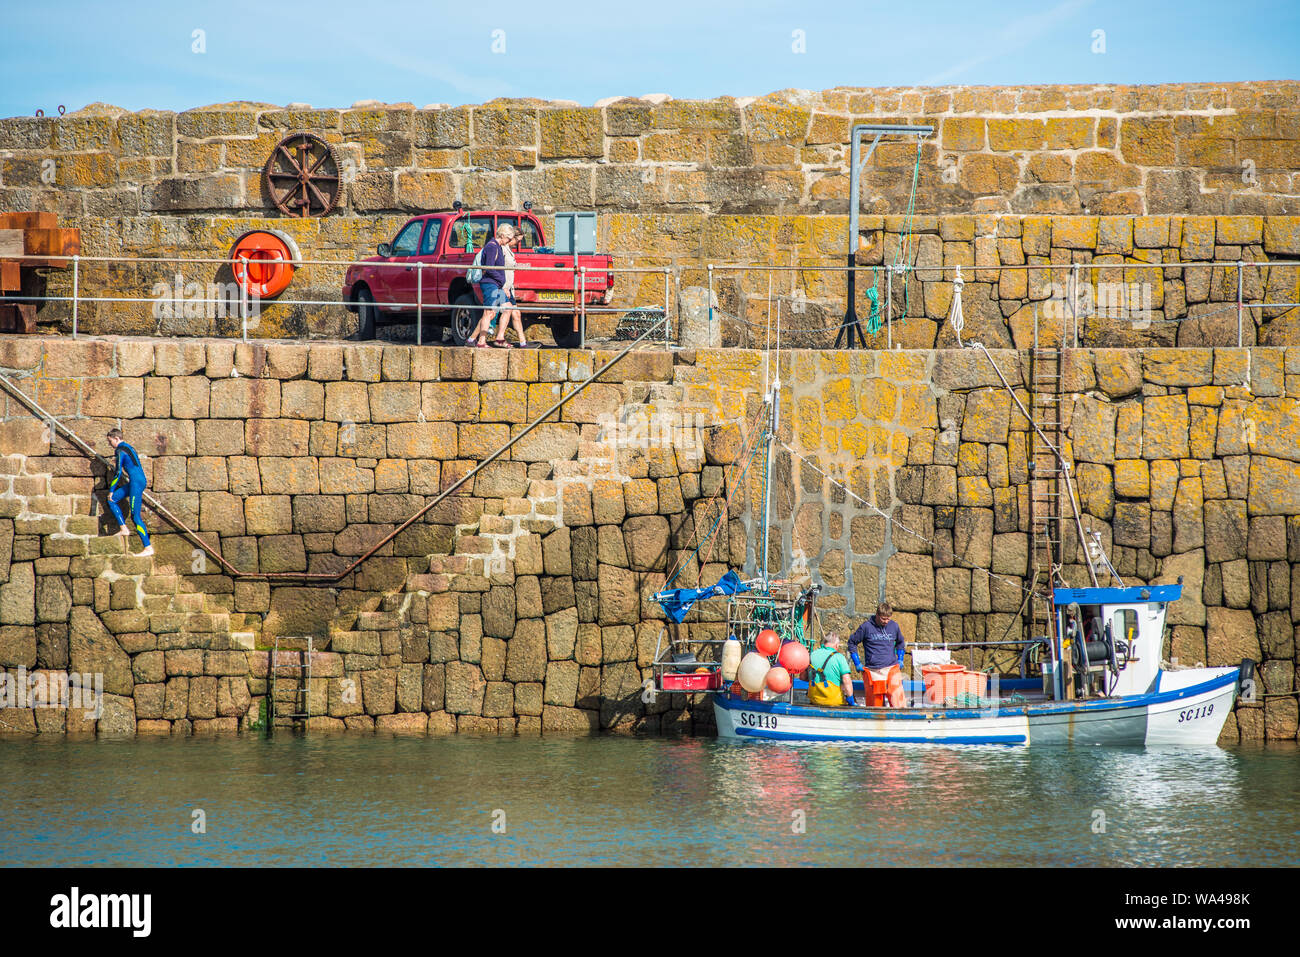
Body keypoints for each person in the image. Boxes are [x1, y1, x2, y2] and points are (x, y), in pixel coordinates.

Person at [848, 601, 906, 707]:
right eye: (883, 618)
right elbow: (852, 642)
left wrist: (900, 658)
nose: (886, 621)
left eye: (888, 618)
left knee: (898, 702)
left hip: (891, 668)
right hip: (873, 671)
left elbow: (900, 643)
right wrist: (857, 662)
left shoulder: (894, 626)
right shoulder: (866, 627)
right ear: (877, 615)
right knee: (875, 704)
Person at [105, 428, 152, 557]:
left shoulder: (120, 450)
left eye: (110, 441)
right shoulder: (129, 447)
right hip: (136, 482)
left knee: (135, 516)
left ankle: (148, 547)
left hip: (136, 483)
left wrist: (111, 490)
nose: (110, 444)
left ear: (116, 439)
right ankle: (123, 528)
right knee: (112, 499)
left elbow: (118, 472)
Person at [470, 224, 513, 348]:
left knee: (508, 307)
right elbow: (488, 267)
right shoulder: (492, 247)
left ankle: (499, 337)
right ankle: (481, 341)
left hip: (497, 285)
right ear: (503, 235)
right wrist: (500, 278)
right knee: (489, 312)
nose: (509, 242)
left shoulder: (498, 247)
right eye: (509, 239)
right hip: (490, 284)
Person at [493, 227, 531, 348]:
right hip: (502, 286)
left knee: (516, 314)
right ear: (512, 237)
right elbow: (499, 268)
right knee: (494, 313)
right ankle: (497, 338)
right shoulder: (502, 249)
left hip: (509, 288)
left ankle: (523, 342)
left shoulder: (509, 249)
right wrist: (503, 286)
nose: (518, 244)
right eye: (518, 241)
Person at [806, 632, 855, 707]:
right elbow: (846, 680)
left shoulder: (812, 655)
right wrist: (851, 698)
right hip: (834, 703)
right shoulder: (839, 657)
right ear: (836, 645)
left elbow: (802, 677)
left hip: (815, 701)